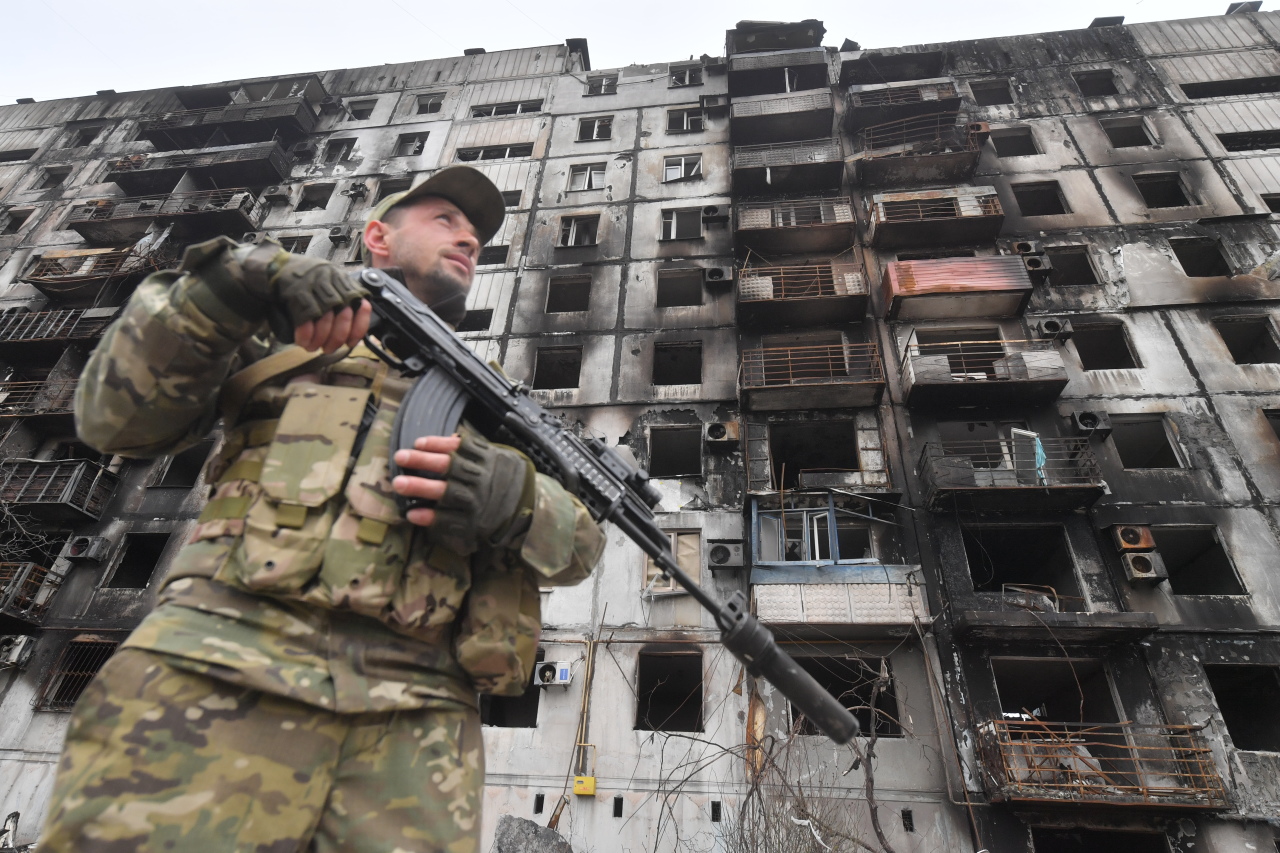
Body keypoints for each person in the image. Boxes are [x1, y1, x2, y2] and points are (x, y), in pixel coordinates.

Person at [39, 166, 606, 853]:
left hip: (417, 721)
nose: (468, 238)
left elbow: (581, 546)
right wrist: (234, 282)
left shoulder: (495, 407)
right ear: (377, 236)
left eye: (478, 234)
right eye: (444, 219)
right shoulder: (278, 336)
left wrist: (510, 495)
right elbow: (112, 419)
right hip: (221, 670)